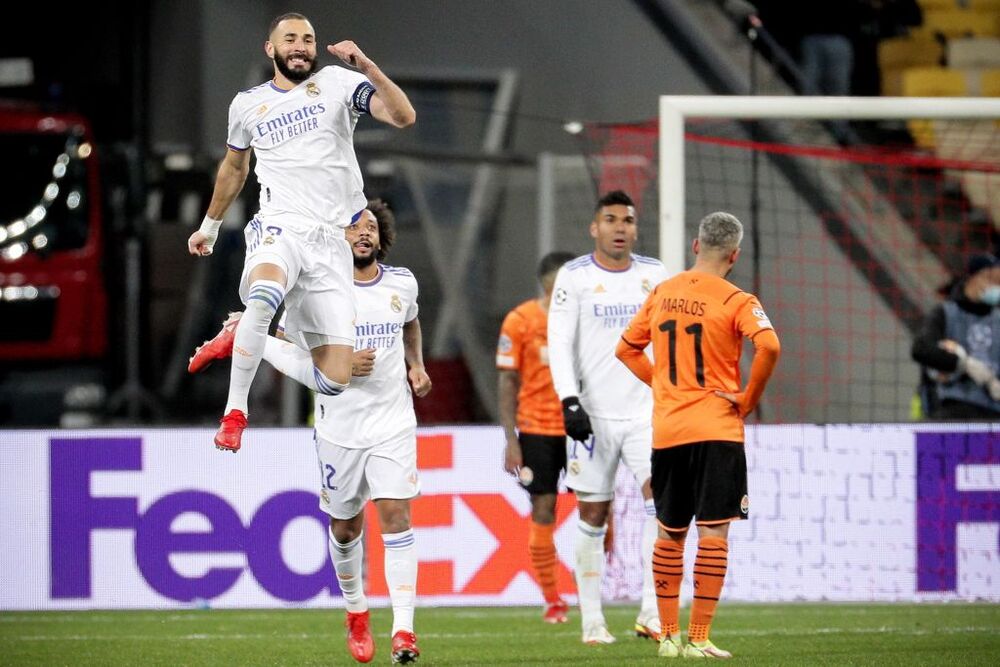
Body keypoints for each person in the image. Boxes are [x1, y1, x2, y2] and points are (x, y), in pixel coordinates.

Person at [191, 200, 431, 664]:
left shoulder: (403, 283)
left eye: (371, 227)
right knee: (345, 529)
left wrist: (415, 364)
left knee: (397, 517)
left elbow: (411, 320)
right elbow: (287, 339)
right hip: (338, 427)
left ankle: (405, 631)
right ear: (337, 237)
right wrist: (339, 363)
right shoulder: (318, 290)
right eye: (354, 226)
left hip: (392, 423)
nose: (363, 233)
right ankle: (356, 611)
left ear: (383, 237)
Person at [186, 12, 415, 453]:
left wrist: (366, 66)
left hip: (332, 242)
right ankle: (236, 412)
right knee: (264, 294)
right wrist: (209, 226)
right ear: (270, 49)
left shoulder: (337, 83)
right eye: (290, 39)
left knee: (334, 379)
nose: (300, 46)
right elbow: (235, 167)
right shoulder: (247, 104)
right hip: (280, 225)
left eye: (308, 40)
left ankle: (243, 336)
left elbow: (403, 117)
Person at [615, 211, 780, 659]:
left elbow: (625, 348)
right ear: (735, 255)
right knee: (713, 533)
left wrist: (664, 385)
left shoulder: (662, 292)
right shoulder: (737, 300)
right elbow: (770, 345)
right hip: (716, 430)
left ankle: (667, 636)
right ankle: (699, 638)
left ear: (695, 246)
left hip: (668, 431)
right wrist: (746, 399)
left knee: (670, 533)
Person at [546, 190, 668, 645]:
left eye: (628, 220)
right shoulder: (573, 276)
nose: (620, 227)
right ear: (594, 228)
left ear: (636, 228)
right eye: (611, 219)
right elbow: (558, 341)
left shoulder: (655, 275)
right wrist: (569, 401)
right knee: (593, 513)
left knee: (663, 507)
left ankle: (653, 613)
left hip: (646, 414)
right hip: (592, 416)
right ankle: (593, 621)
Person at [496, 251, 577, 624]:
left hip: (582, 429)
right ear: (548, 284)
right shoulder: (520, 321)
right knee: (544, 509)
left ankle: (598, 588)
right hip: (537, 430)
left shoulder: (585, 321)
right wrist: (511, 439)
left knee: (598, 509)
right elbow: (508, 380)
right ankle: (553, 599)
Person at [911, 253, 1000, 420]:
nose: (997, 286)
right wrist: (962, 363)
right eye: (994, 279)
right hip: (952, 409)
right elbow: (921, 348)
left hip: (994, 413)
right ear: (975, 277)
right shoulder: (946, 313)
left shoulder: (997, 319)